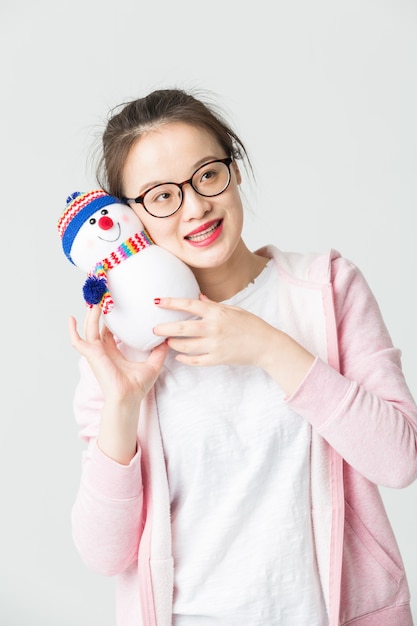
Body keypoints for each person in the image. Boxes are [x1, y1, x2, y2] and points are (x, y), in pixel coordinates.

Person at [67, 88, 417, 626]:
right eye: (162, 195)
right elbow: (102, 554)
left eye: (207, 174)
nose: (196, 205)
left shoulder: (326, 287)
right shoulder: (124, 346)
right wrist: (121, 405)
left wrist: (270, 347)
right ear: (130, 217)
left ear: (234, 169)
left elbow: (399, 460)